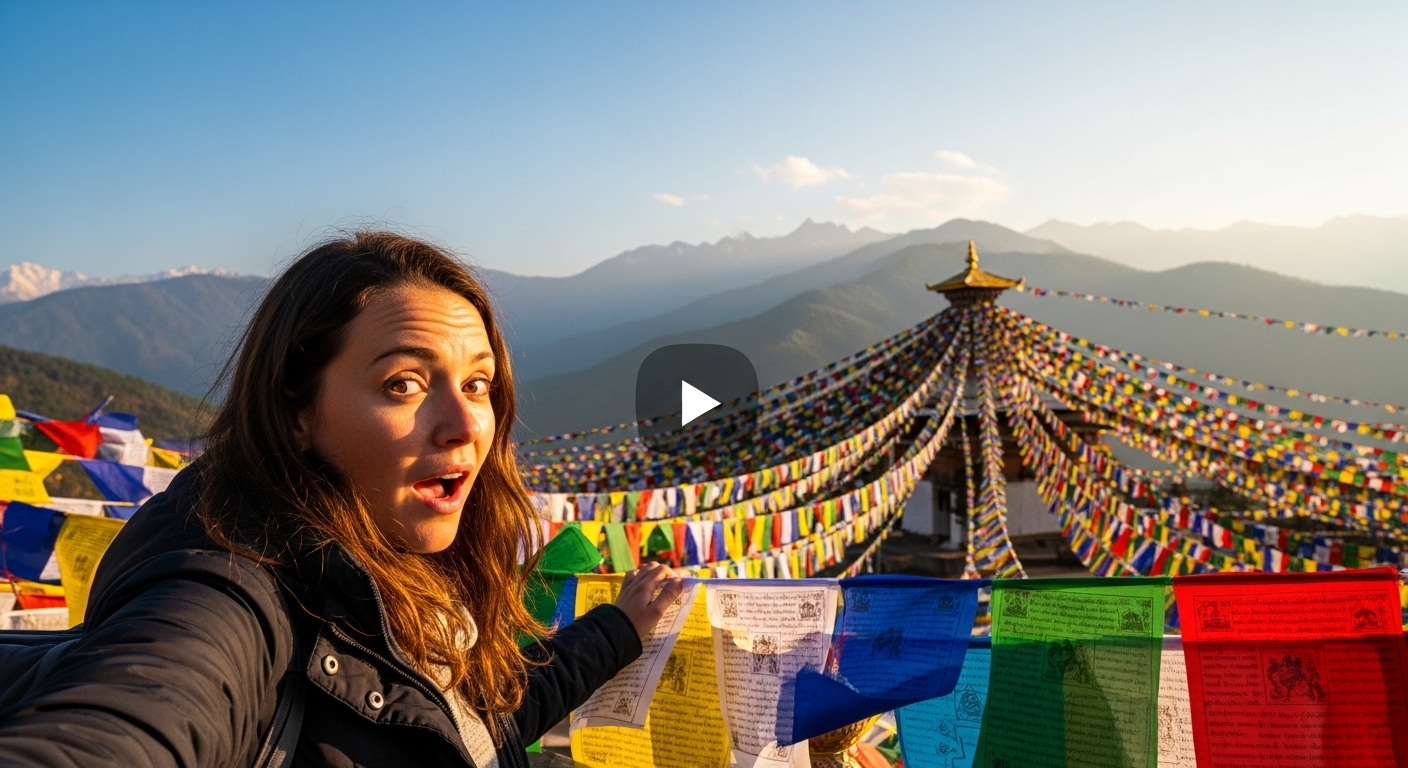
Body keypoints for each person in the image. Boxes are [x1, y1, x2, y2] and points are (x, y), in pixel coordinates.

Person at [0, 232, 683, 767]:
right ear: (298, 410)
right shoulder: (230, 588)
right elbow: (133, 718)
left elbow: (470, 731)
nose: (467, 423)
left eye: (478, 384)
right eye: (404, 385)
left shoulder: (401, 567)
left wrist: (617, 629)